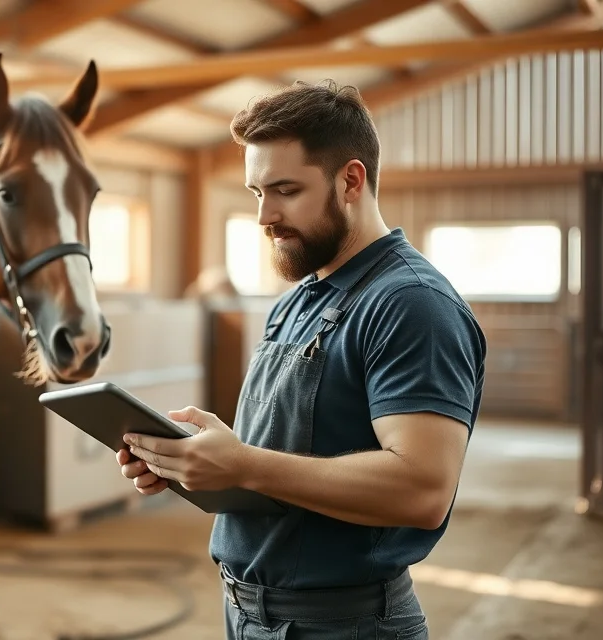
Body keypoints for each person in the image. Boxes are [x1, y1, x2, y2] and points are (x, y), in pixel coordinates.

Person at [115, 80, 487, 639]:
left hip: (344, 625)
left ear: (351, 181)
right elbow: (286, 465)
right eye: (256, 192)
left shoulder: (411, 304)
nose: (265, 215)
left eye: (285, 189)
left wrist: (243, 463)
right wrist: (193, 466)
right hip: (248, 613)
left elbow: (423, 489)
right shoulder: (297, 300)